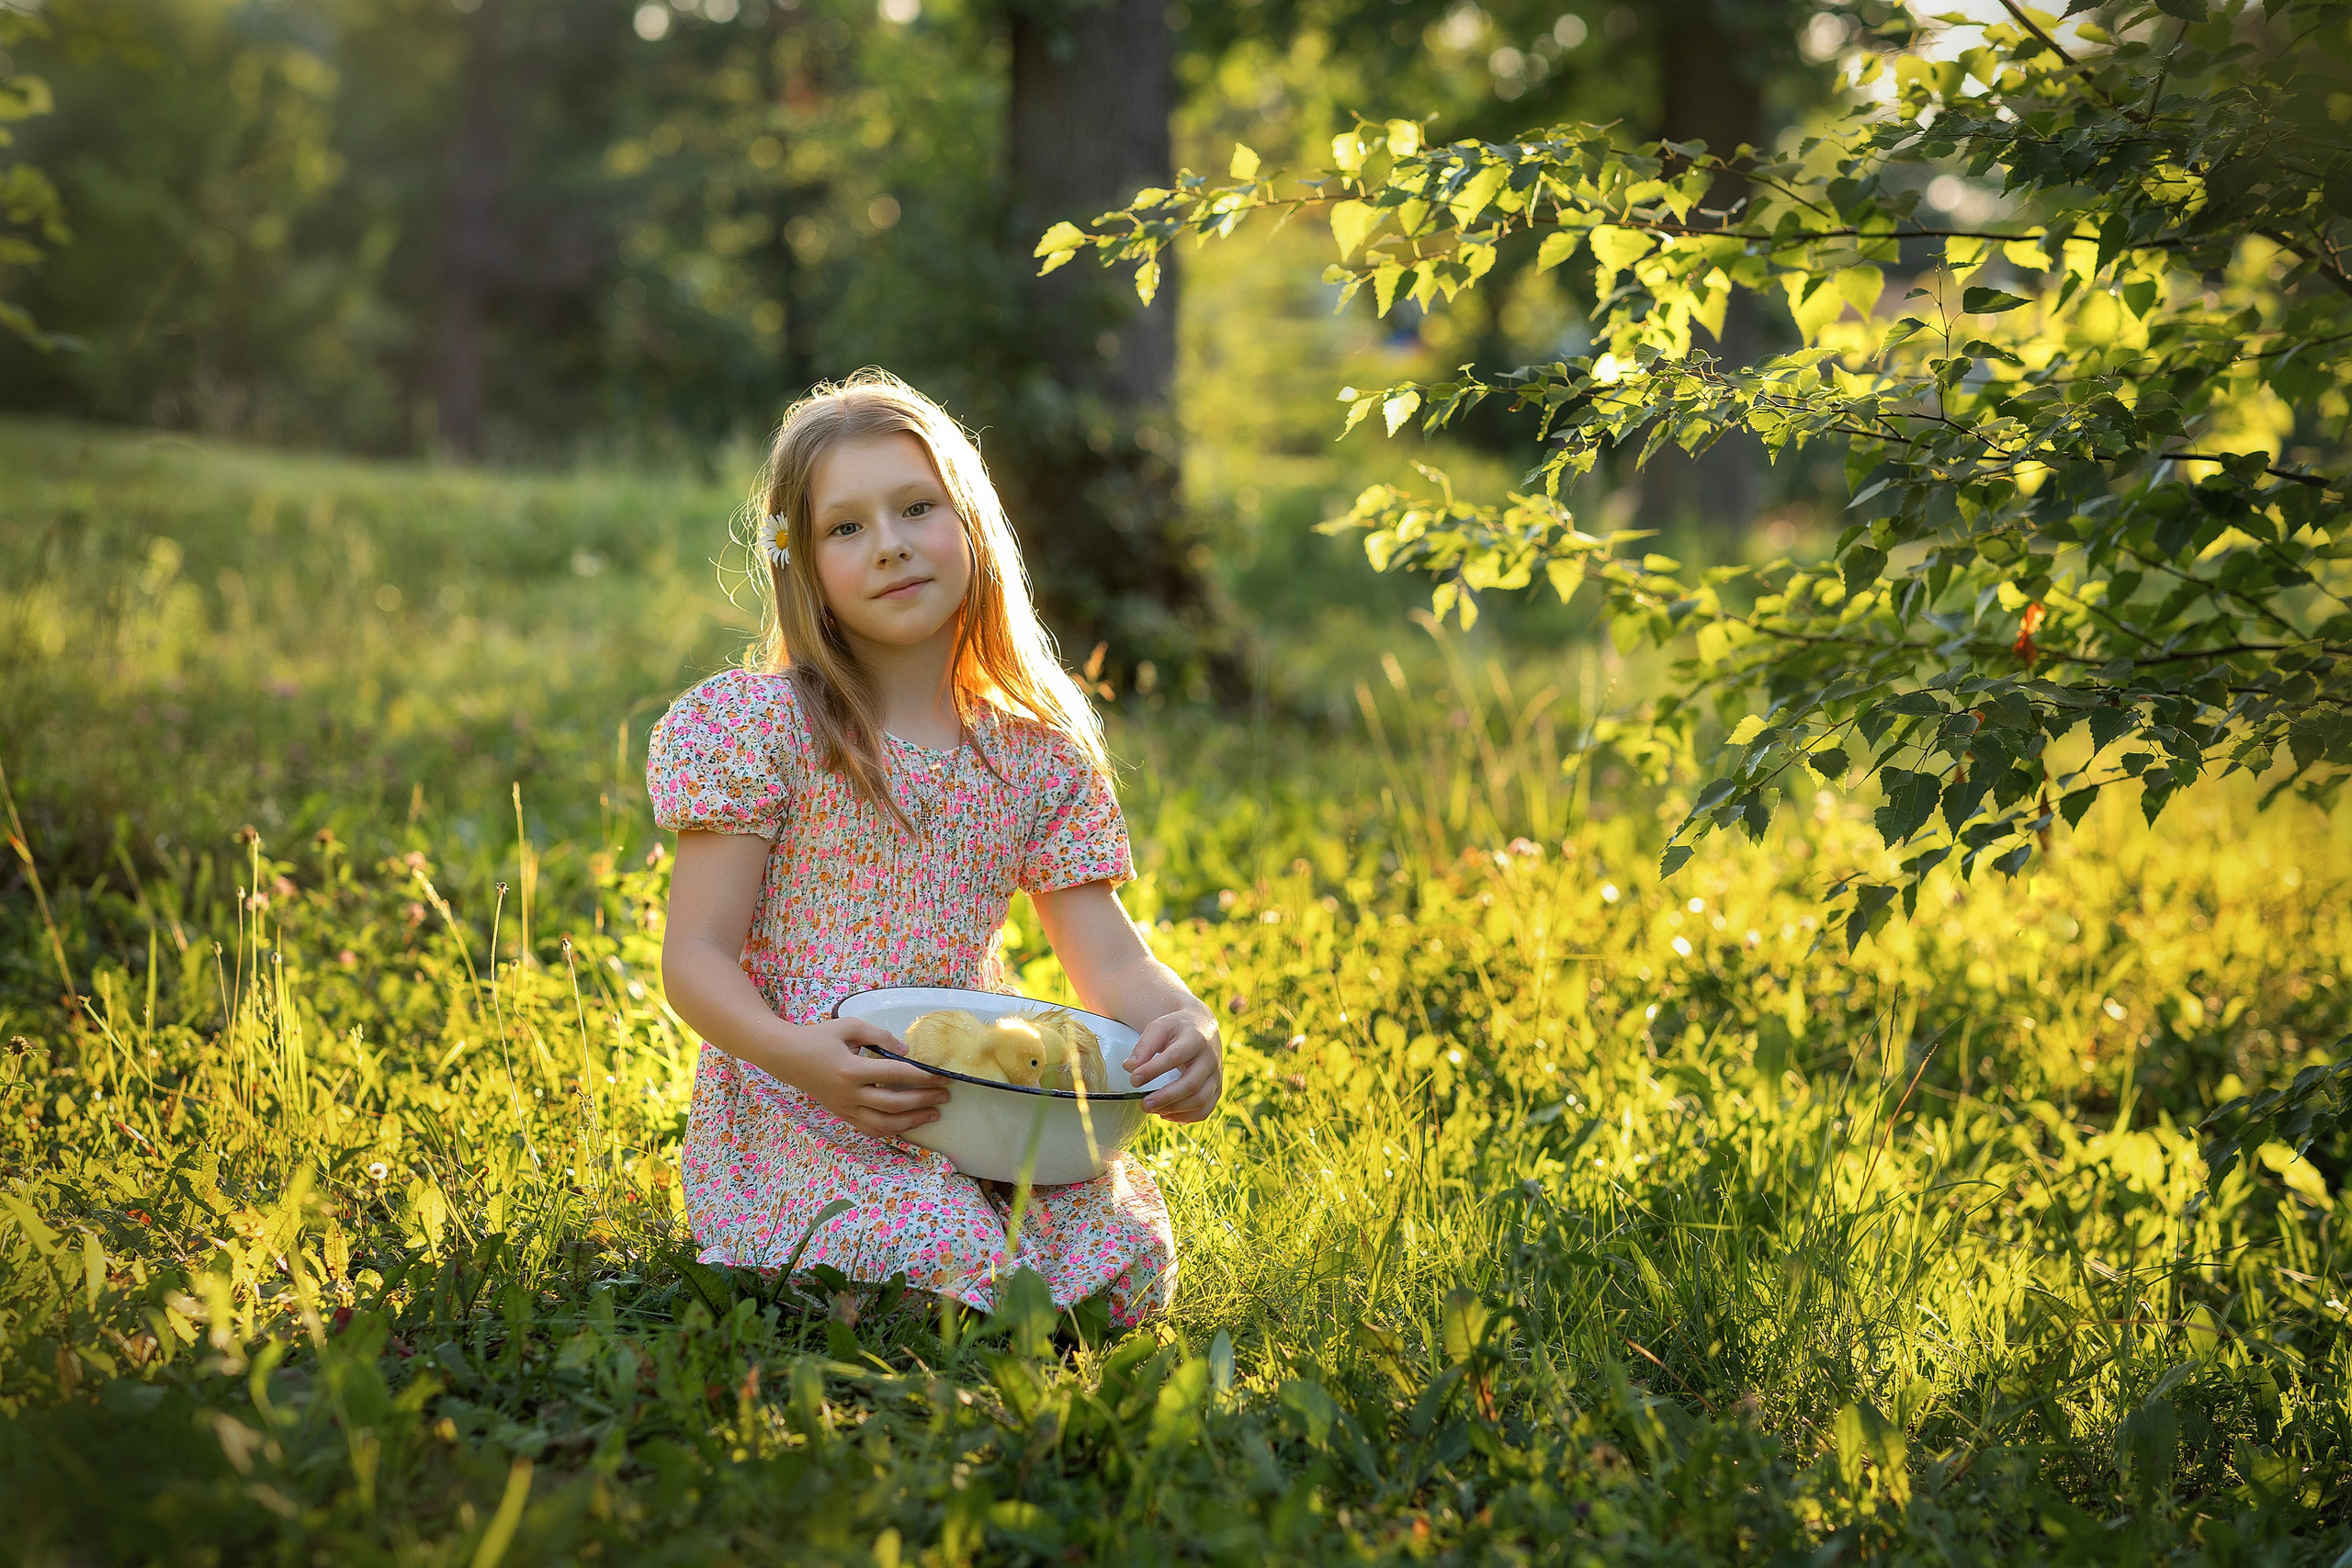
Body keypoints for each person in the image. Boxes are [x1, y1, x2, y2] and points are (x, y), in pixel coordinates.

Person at [649, 368, 1221, 1326]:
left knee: (1120, 1260)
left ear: (972, 523)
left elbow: (1112, 960)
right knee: (940, 1254)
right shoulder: (760, 729)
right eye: (845, 527)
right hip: (809, 1101)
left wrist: (1188, 1025)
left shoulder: (1032, 756)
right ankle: (878, 1273)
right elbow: (695, 955)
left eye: (917, 508)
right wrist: (795, 1055)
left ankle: (973, 1279)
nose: (890, 544)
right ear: (800, 563)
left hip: (981, 1095)